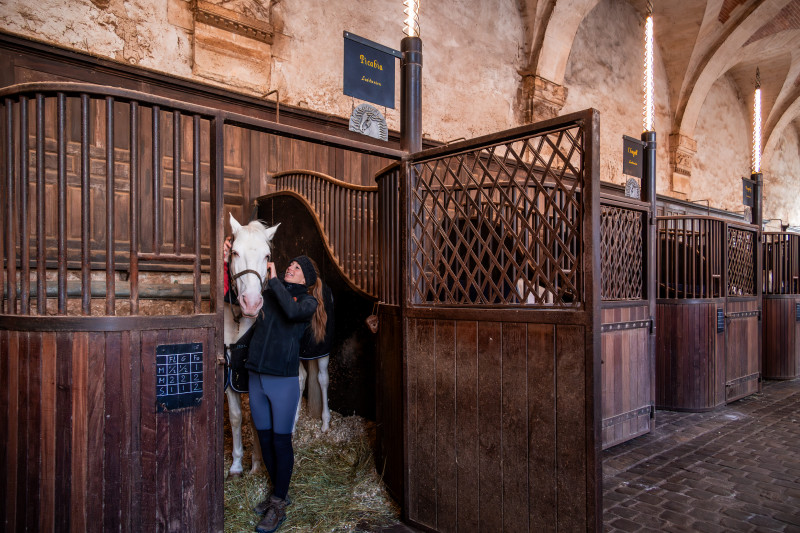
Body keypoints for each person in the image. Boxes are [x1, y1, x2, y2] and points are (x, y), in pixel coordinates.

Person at [242, 252, 327, 533]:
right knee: (264, 440)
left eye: (296, 267)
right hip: (257, 377)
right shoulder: (269, 291)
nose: (291, 268)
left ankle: (278, 503)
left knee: (281, 442)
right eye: (289, 265)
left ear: (307, 278)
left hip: (283, 382)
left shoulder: (307, 302)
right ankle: (279, 492)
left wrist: (275, 279)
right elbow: (243, 302)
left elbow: (291, 313)